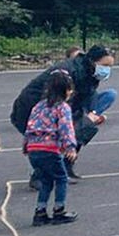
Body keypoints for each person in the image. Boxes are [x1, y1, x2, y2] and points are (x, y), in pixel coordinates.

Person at [9, 44, 117, 184]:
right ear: (92, 60)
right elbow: (51, 102)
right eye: (105, 65)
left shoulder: (89, 73)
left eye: (110, 66)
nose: (107, 70)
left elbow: (82, 98)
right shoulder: (67, 72)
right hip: (32, 110)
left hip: (58, 106)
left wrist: (87, 116)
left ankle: (65, 167)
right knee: (52, 140)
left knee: (83, 128)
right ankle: (40, 176)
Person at [23, 70, 80, 226]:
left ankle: (40, 212)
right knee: (61, 178)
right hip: (49, 148)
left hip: (34, 148)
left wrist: (26, 145)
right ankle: (59, 210)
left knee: (46, 180)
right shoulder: (62, 108)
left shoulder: (38, 106)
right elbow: (66, 128)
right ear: (65, 90)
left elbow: (29, 126)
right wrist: (70, 147)